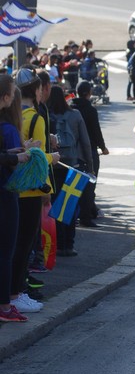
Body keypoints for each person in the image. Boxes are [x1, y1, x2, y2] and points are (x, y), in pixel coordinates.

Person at [11, 68, 59, 313]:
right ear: (37, 90)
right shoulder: (36, 118)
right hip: (30, 190)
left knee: (14, 244)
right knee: (25, 245)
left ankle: (14, 291)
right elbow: (39, 159)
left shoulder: (14, 115)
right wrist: (55, 157)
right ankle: (16, 292)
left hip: (12, 187)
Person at [47, 85, 93, 255]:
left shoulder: (47, 115)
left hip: (53, 165)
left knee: (54, 204)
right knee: (70, 205)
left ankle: (57, 244)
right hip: (72, 165)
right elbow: (85, 142)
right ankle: (69, 244)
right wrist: (90, 166)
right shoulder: (75, 115)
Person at [0, 75, 31, 322]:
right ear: (6, 97)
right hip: (4, 191)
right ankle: (5, 305)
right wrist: (16, 158)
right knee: (6, 250)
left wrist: (10, 153)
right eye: (11, 93)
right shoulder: (6, 125)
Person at [72, 81, 109, 227]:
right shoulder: (90, 110)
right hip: (88, 150)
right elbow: (96, 131)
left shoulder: (70, 107)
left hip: (72, 151)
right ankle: (86, 216)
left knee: (73, 185)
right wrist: (103, 147)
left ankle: (76, 214)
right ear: (89, 93)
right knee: (89, 184)